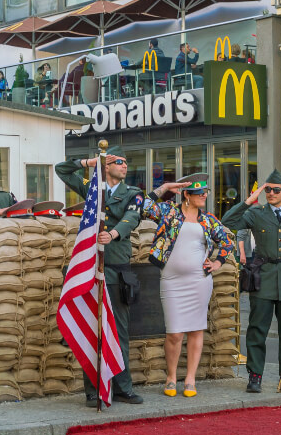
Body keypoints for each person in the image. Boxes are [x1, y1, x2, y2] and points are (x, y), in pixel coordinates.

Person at [55, 145, 145, 407]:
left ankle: (122, 387)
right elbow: (62, 170)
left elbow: (132, 217)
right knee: (93, 332)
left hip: (117, 270)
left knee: (119, 332)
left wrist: (114, 233)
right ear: (106, 166)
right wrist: (89, 161)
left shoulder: (133, 193)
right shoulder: (93, 189)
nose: (124, 166)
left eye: (126, 162)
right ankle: (93, 389)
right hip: (92, 270)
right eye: (118, 162)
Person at [142, 174, 234, 398]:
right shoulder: (169, 212)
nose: (204, 195)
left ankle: (190, 378)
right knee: (174, 333)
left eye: (205, 191)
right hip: (172, 281)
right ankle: (171, 377)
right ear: (186, 194)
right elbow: (142, 206)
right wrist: (164, 187)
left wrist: (218, 262)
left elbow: (227, 241)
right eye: (198, 192)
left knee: (195, 329)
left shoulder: (208, 220)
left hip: (199, 281)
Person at [222, 169, 281, 393]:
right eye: (268, 189)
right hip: (263, 277)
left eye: (276, 190)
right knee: (257, 329)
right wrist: (248, 201)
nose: (270, 193)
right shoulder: (256, 213)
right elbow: (227, 220)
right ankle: (255, 376)